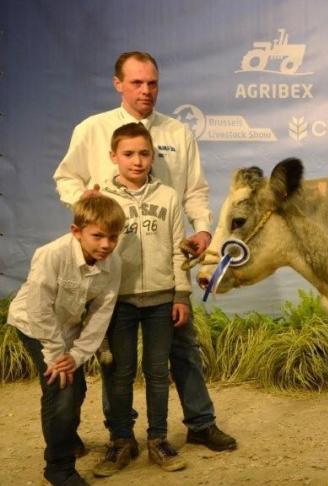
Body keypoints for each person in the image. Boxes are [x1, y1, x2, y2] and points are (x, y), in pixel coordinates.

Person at [53, 51, 236, 454]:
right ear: (118, 83)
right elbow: (66, 177)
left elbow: (195, 190)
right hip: (111, 267)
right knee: (113, 361)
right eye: (136, 82)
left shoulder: (177, 133)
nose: (146, 90)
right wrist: (85, 202)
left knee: (181, 346)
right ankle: (116, 436)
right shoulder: (93, 129)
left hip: (163, 263)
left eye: (152, 83)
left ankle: (200, 423)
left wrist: (202, 228)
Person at [92, 122, 192, 475]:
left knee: (157, 373)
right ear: (113, 156)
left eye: (144, 153)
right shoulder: (101, 198)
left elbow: (181, 251)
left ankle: (158, 440)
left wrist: (181, 293)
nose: (137, 161)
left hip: (162, 299)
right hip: (118, 300)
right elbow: (92, 251)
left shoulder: (167, 196)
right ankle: (121, 441)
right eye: (129, 154)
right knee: (119, 373)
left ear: (154, 156)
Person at [8, 196, 125, 486]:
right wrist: (58, 355)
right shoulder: (52, 255)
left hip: (68, 329)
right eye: (97, 236)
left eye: (112, 237)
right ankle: (59, 467)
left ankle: (67, 436)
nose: (105, 245)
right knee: (61, 387)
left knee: (77, 386)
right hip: (34, 326)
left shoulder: (114, 264)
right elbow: (38, 308)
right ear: (77, 231)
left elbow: (101, 314)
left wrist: (78, 355)